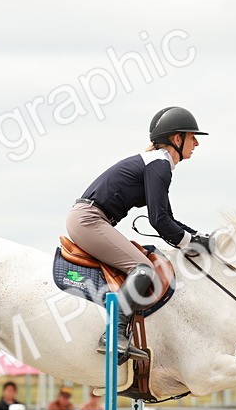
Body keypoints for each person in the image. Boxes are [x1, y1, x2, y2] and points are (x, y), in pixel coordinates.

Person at [66, 106, 215, 362]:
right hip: (89, 220)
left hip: (91, 218)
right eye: (192, 137)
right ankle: (114, 335)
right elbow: (159, 221)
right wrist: (191, 243)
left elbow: (167, 218)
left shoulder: (157, 163)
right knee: (143, 268)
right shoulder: (159, 164)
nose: (197, 143)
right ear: (176, 139)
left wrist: (198, 237)